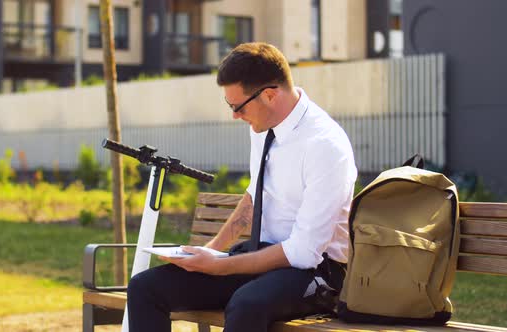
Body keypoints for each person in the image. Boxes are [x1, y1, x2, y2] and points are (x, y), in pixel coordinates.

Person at [127, 42, 357, 332]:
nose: (234, 115)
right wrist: (210, 251)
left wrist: (221, 266)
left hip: (315, 272)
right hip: (260, 257)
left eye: (237, 106)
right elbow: (255, 193)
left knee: (246, 304)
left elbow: (303, 251)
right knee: (146, 288)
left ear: (270, 95)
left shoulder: (324, 145)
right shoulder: (262, 127)